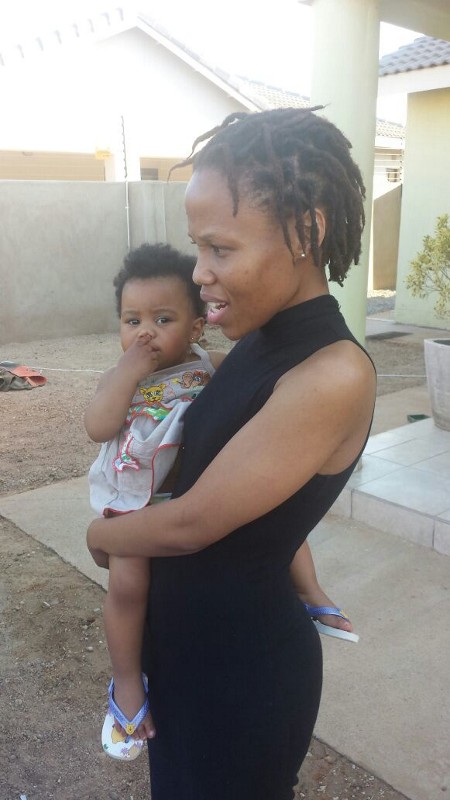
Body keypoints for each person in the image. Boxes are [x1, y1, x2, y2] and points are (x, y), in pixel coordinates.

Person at [87, 107, 376, 798]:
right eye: (198, 248)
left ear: (307, 232)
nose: (200, 274)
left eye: (220, 249)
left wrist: (102, 535)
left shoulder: (331, 372)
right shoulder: (257, 340)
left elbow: (194, 522)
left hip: (240, 678)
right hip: (187, 656)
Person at [86, 240, 352, 763]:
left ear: (194, 327)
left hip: (198, 491)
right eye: (131, 320)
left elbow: (257, 386)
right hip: (137, 501)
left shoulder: (211, 365)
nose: (144, 333)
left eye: (162, 319)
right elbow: (98, 426)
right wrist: (127, 373)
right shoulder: (121, 380)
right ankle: (127, 683)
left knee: (280, 525)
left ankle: (311, 592)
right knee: (128, 587)